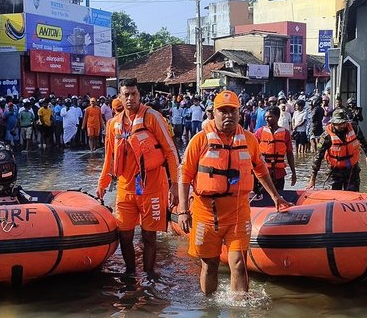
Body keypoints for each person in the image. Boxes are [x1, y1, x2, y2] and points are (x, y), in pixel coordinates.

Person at [178, 90, 291, 295]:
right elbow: (184, 176)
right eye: (223, 111)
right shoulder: (200, 140)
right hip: (206, 211)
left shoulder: (248, 139)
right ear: (214, 113)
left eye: (233, 111)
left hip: (238, 210)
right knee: (209, 264)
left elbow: (260, 169)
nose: (228, 115)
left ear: (239, 113)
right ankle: (209, 312)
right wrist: (183, 210)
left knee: (238, 263)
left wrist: (275, 196)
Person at [97, 78, 180, 274]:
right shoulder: (112, 125)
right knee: (124, 234)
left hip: (152, 185)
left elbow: (170, 152)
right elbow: (109, 157)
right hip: (126, 188)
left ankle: (149, 276)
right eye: (126, 94)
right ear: (120, 97)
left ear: (139, 95)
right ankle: (130, 274)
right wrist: (102, 185)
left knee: (149, 236)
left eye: (134, 94)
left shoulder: (152, 117)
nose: (130, 98)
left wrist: (175, 185)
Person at [308, 107, 367, 192]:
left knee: (353, 194)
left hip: (352, 170)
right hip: (335, 170)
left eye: (343, 123)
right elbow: (318, 158)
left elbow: (363, 142)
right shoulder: (326, 137)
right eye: (338, 124)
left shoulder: (354, 128)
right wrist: (312, 179)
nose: (341, 126)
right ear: (333, 123)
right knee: (334, 194)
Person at [254, 105, 297, 195]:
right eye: (265, 117)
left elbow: (289, 153)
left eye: (269, 117)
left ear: (277, 117)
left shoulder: (285, 133)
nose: (267, 119)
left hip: (279, 173)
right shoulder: (259, 132)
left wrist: (293, 172)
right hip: (263, 172)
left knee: (279, 195)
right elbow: (252, 153)